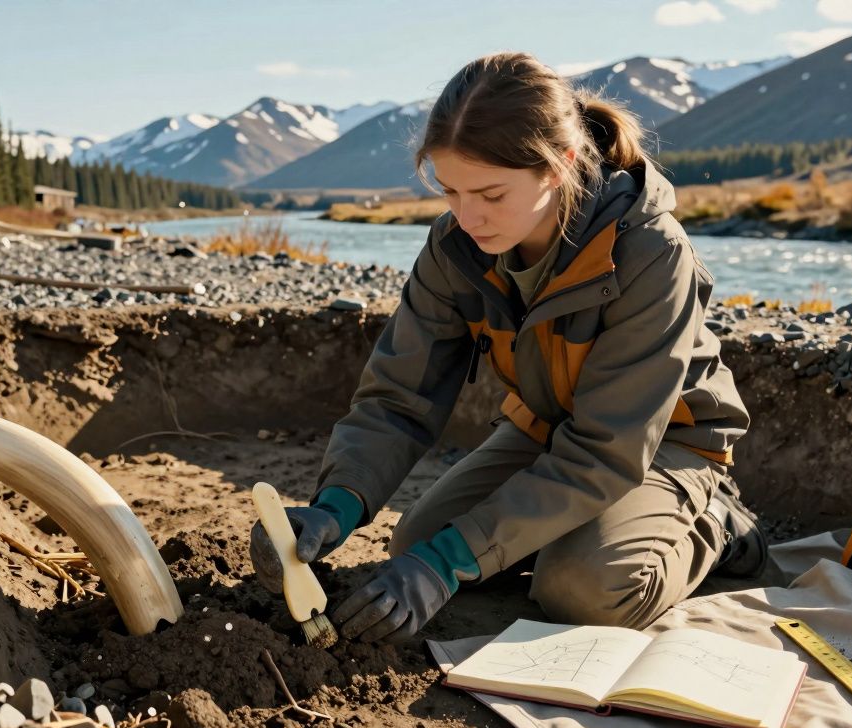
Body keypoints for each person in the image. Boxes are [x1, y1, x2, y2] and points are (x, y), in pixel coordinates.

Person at [251, 51, 766, 644]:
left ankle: (719, 523)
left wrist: (449, 563)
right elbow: (400, 396)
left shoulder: (652, 252)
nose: (468, 217)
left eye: (491, 194)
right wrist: (335, 505)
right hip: (545, 426)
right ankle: (555, 534)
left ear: (558, 166)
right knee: (414, 544)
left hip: (664, 443)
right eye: (450, 192)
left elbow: (606, 451)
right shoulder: (456, 246)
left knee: (580, 588)